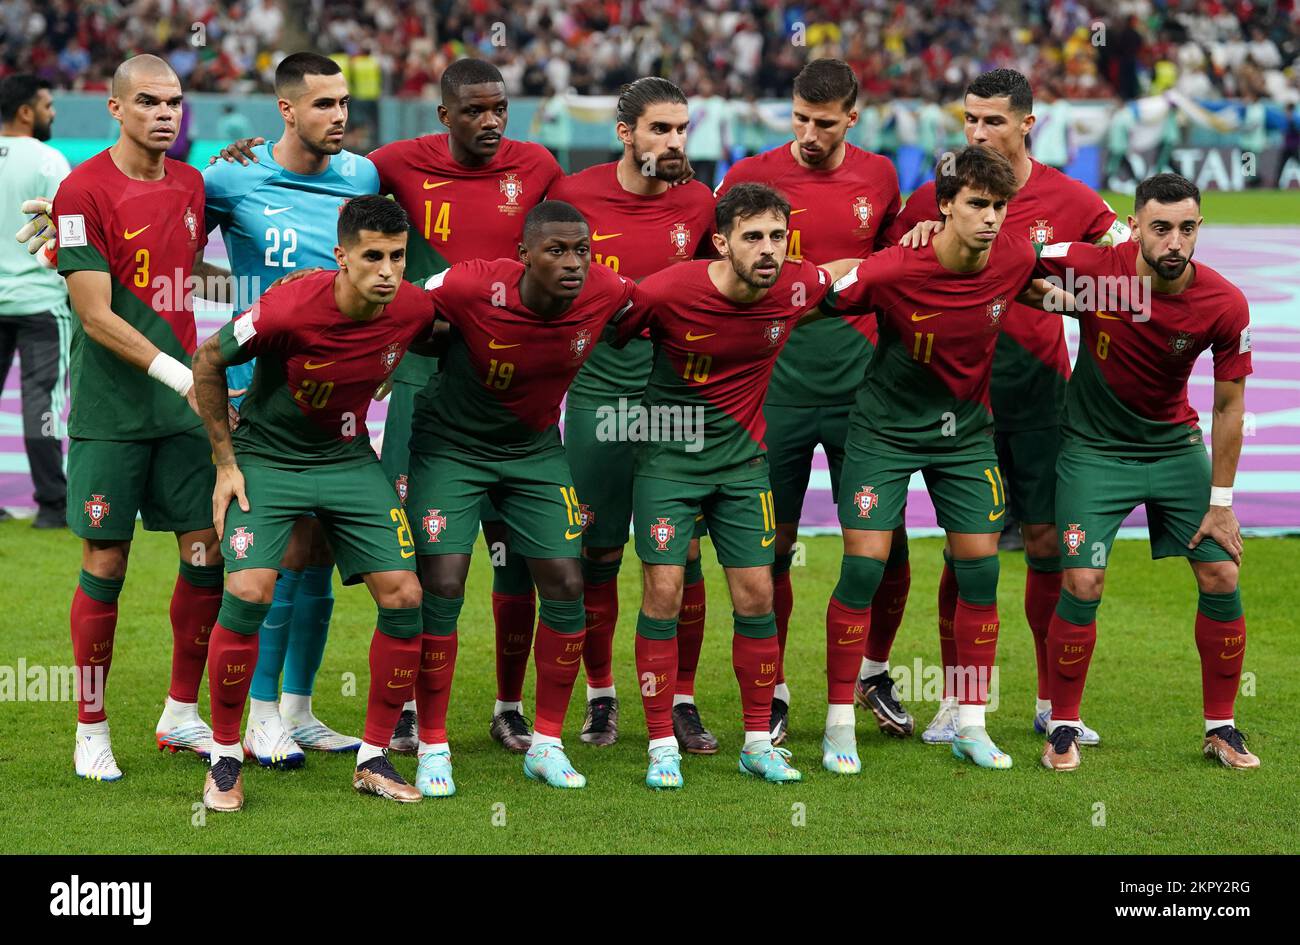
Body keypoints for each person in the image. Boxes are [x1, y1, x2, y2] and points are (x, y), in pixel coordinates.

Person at [888, 69, 1128, 745]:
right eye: (969, 118)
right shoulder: (938, 195)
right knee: (968, 551)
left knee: (1049, 542)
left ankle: (1053, 701)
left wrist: (1113, 269)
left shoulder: (1071, 198)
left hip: (1041, 397)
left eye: (992, 120)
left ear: (1028, 124)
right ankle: (958, 699)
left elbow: (1122, 265)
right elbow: (893, 263)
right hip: (959, 402)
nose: (977, 132)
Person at [189, 195, 435, 810]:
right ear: (340, 257)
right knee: (248, 590)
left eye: (397, 257)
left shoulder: (413, 308)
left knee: (406, 597)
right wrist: (225, 463)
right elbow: (208, 359)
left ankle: (374, 757)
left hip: (350, 459)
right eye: (371, 256)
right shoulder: (288, 306)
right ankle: (224, 757)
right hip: (268, 459)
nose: (386, 270)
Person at [614, 182, 851, 789]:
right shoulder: (669, 290)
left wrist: (916, 239)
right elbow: (608, 323)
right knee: (663, 595)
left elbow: (847, 270)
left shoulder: (796, 286)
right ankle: (661, 742)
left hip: (745, 468)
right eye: (753, 238)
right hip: (668, 463)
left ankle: (755, 742)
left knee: (758, 599)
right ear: (721, 242)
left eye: (777, 236)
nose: (768, 249)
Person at [820, 145, 1046, 773]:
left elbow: (1061, 279)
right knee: (864, 570)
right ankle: (839, 724)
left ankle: (970, 724)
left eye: (1000, 205)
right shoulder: (894, 271)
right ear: (944, 207)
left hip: (966, 436)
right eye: (977, 204)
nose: (991, 217)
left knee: (979, 572)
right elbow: (821, 292)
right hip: (883, 432)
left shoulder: (1016, 257)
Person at [404, 201, 637, 794]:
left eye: (581, 249)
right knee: (445, 581)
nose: (572, 262)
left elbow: (663, 309)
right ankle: (433, 745)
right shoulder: (470, 283)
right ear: (524, 255)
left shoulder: (607, 290)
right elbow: (402, 302)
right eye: (556, 250)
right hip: (450, 447)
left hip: (533, 449)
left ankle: (548, 744)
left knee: (565, 580)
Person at [367, 59, 565, 753]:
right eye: (475, 111)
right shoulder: (393, 163)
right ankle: (412, 708)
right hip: (428, 382)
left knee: (518, 560)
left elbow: (577, 234)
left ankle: (508, 706)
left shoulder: (538, 166)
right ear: (444, 115)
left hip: (519, 392)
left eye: (499, 109)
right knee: (427, 561)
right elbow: (329, 188)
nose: (490, 122)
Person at [1034, 173, 1257, 771]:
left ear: (1199, 228)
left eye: (1187, 228)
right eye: (1160, 228)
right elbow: (1010, 250)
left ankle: (1221, 727)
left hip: (1174, 448)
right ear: (1134, 227)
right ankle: (1062, 725)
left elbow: (1229, 405)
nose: (1174, 242)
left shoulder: (1224, 303)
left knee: (1221, 576)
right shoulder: (1090, 269)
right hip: (1093, 451)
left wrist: (1221, 501)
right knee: (1082, 584)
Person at [717, 58, 910, 746]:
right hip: (774, 386)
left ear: (852, 118)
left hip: (864, 387)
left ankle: (874, 672)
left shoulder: (881, 176)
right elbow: (721, 273)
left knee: (886, 549)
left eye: (824, 122)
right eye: (798, 117)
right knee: (770, 545)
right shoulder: (748, 180)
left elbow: (898, 264)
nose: (808, 132)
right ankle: (771, 687)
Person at [202, 52, 379, 764]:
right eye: (324, 105)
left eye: (343, 103)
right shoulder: (230, 176)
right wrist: (244, 300)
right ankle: (262, 712)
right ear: (285, 109)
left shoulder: (364, 176)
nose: (339, 115)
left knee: (323, 547)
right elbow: (168, 241)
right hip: (260, 401)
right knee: (276, 557)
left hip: (340, 402)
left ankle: (300, 708)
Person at [51, 55, 224, 780]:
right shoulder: (79, 188)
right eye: (149, 101)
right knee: (107, 562)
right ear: (115, 109)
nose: (165, 112)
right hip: (112, 411)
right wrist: (184, 374)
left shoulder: (192, 183)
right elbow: (94, 314)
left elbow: (184, 271)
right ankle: (91, 726)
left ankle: (181, 712)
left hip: (181, 414)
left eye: (176, 101)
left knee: (207, 555)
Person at [549, 77, 718, 750]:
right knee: (597, 551)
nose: (674, 142)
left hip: (676, 396)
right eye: (661, 129)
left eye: (682, 129)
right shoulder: (572, 197)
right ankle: (600, 699)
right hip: (597, 393)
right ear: (626, 133)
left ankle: (681, 699)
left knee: (685, 552)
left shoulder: (702, 202)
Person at [1, 74, 70, 529]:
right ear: (27, 111)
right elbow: (68, 234)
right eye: (47, 104)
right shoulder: (48, 160)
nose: (53, 112)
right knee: (40, 402)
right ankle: (51, 504)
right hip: (39, 301)